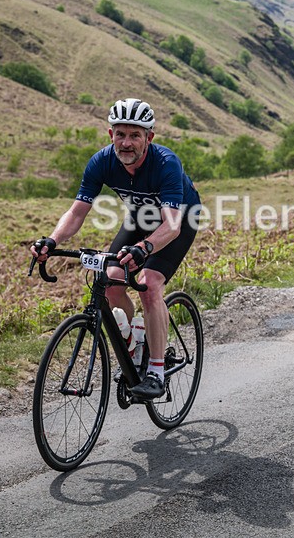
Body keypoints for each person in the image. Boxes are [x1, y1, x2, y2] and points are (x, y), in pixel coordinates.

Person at [30, 98, 201, 400]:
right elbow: (77, 212)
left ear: (149, 137)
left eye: (135, 135)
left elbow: (172, 227)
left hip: (179, 220)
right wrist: (52, 241)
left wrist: (144, 248)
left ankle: (157, 372)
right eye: (120, 134)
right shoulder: (102, 161)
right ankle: (134, 347)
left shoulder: (166, 163)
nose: (126, 142)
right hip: (139, 218)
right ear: (110, 135)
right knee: (110, 282)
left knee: (149, 285)